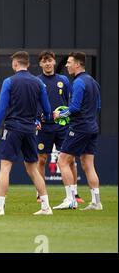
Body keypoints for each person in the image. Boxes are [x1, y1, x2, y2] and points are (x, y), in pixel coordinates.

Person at [0, 51, 52, 215]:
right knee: (33, 169)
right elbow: (48, 110)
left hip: (13, 129)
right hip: (30, 130)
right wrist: (39, 120)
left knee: (5, 167)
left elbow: (0, 110)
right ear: (28, 64)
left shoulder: (9, 82)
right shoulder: (38, 83)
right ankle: (46, 207)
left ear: (15, 64)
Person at [53, 52, 102, 211]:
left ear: (78, 64)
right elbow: (98, 107)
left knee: (62, 161)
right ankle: (96, 202)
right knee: (88, 164)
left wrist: (60, 114)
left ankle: (70, 199)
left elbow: (74, 108)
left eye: (69, 62)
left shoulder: (79, 82)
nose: (66, 65)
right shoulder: (93, 82)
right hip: (92, 127)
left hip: (80, 128)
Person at [36, 50, 84, 204]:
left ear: (54, 62)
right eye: (44, 61)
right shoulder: (37, 81)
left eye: (50, 60)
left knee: (70, 160)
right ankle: (40, 193)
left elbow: (72, 102)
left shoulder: (63, 80)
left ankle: (74, 194)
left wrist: (67, 117)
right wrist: (37, 117)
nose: (48, 63)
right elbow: (34, 102)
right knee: (41, 159)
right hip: (44, 127)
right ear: (40, 64)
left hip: (62, 127)